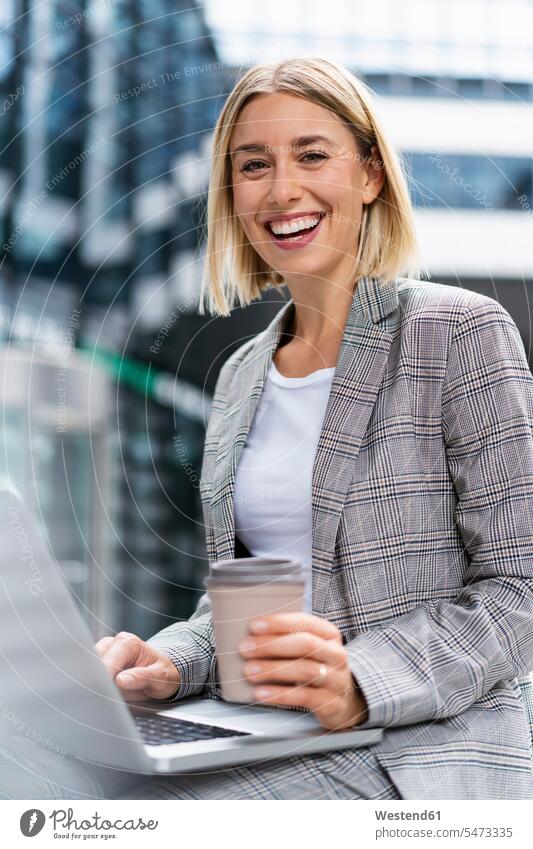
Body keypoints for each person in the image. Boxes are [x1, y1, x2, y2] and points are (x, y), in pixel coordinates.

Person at [3, 56, 533, 800]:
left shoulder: (457, 332)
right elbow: (244, 607)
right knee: (19, 765)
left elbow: (518, 587)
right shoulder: (243, 373)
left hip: (412, 751)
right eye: (254, 165)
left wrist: (359, 680)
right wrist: (170, 662)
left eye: (311, 155)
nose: (282, 189)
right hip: (262, 725)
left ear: (370, 175)